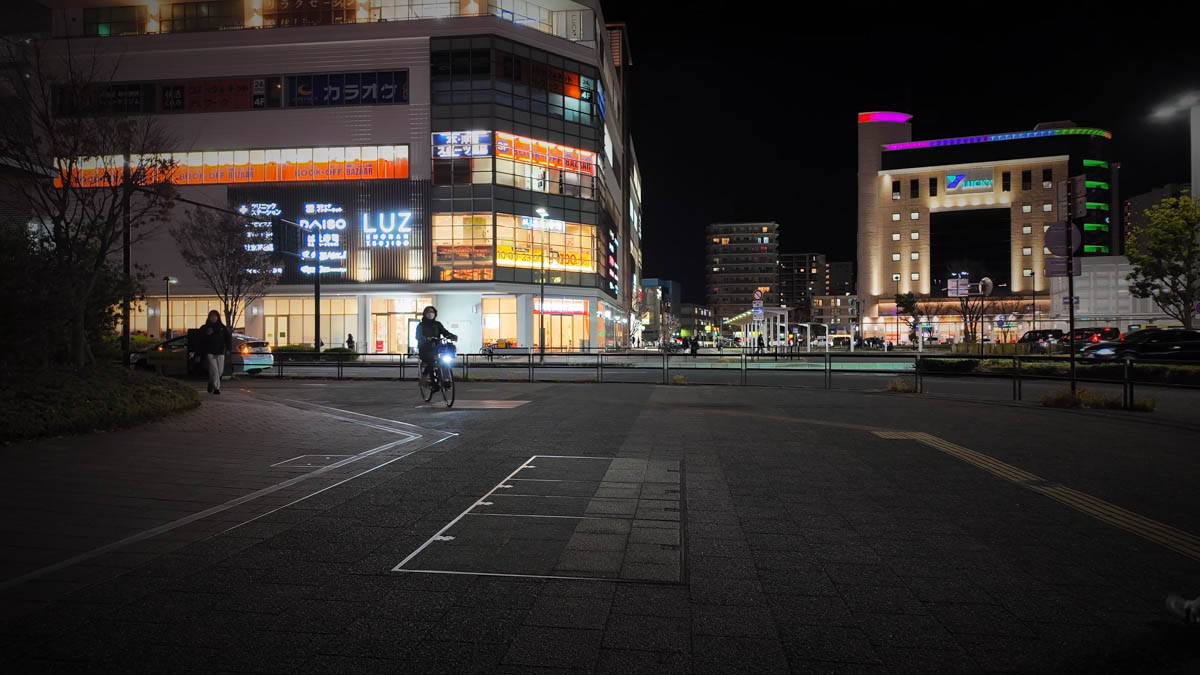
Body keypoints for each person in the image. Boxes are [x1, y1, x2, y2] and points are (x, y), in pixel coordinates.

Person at [416, 305, 457, 387]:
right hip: (425, 349)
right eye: (428, 312)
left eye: (432, 312)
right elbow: (418, 336)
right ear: (424, 314)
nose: (430, 313)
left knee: (444, 360)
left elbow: (445, 332)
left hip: (437, 348)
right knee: (431, 361)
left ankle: (445, 378)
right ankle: (424, 378)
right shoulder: (421, 325)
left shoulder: (437, 324)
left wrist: (452, 336)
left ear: (435, 314)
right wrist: (426, 339)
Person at [199, 310, 232, 395]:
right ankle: (216, 388)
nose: (213, 318)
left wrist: (228, 349)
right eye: (211, 316)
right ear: (209, 317)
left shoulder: (222, 328)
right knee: (215, 370)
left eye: (215, 316)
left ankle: (211, 382)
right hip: (209, 352)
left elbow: (228, 339)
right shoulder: (205, 328)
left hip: (220, 352)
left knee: (220, 371)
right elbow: (200, 340)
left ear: (218, 317)